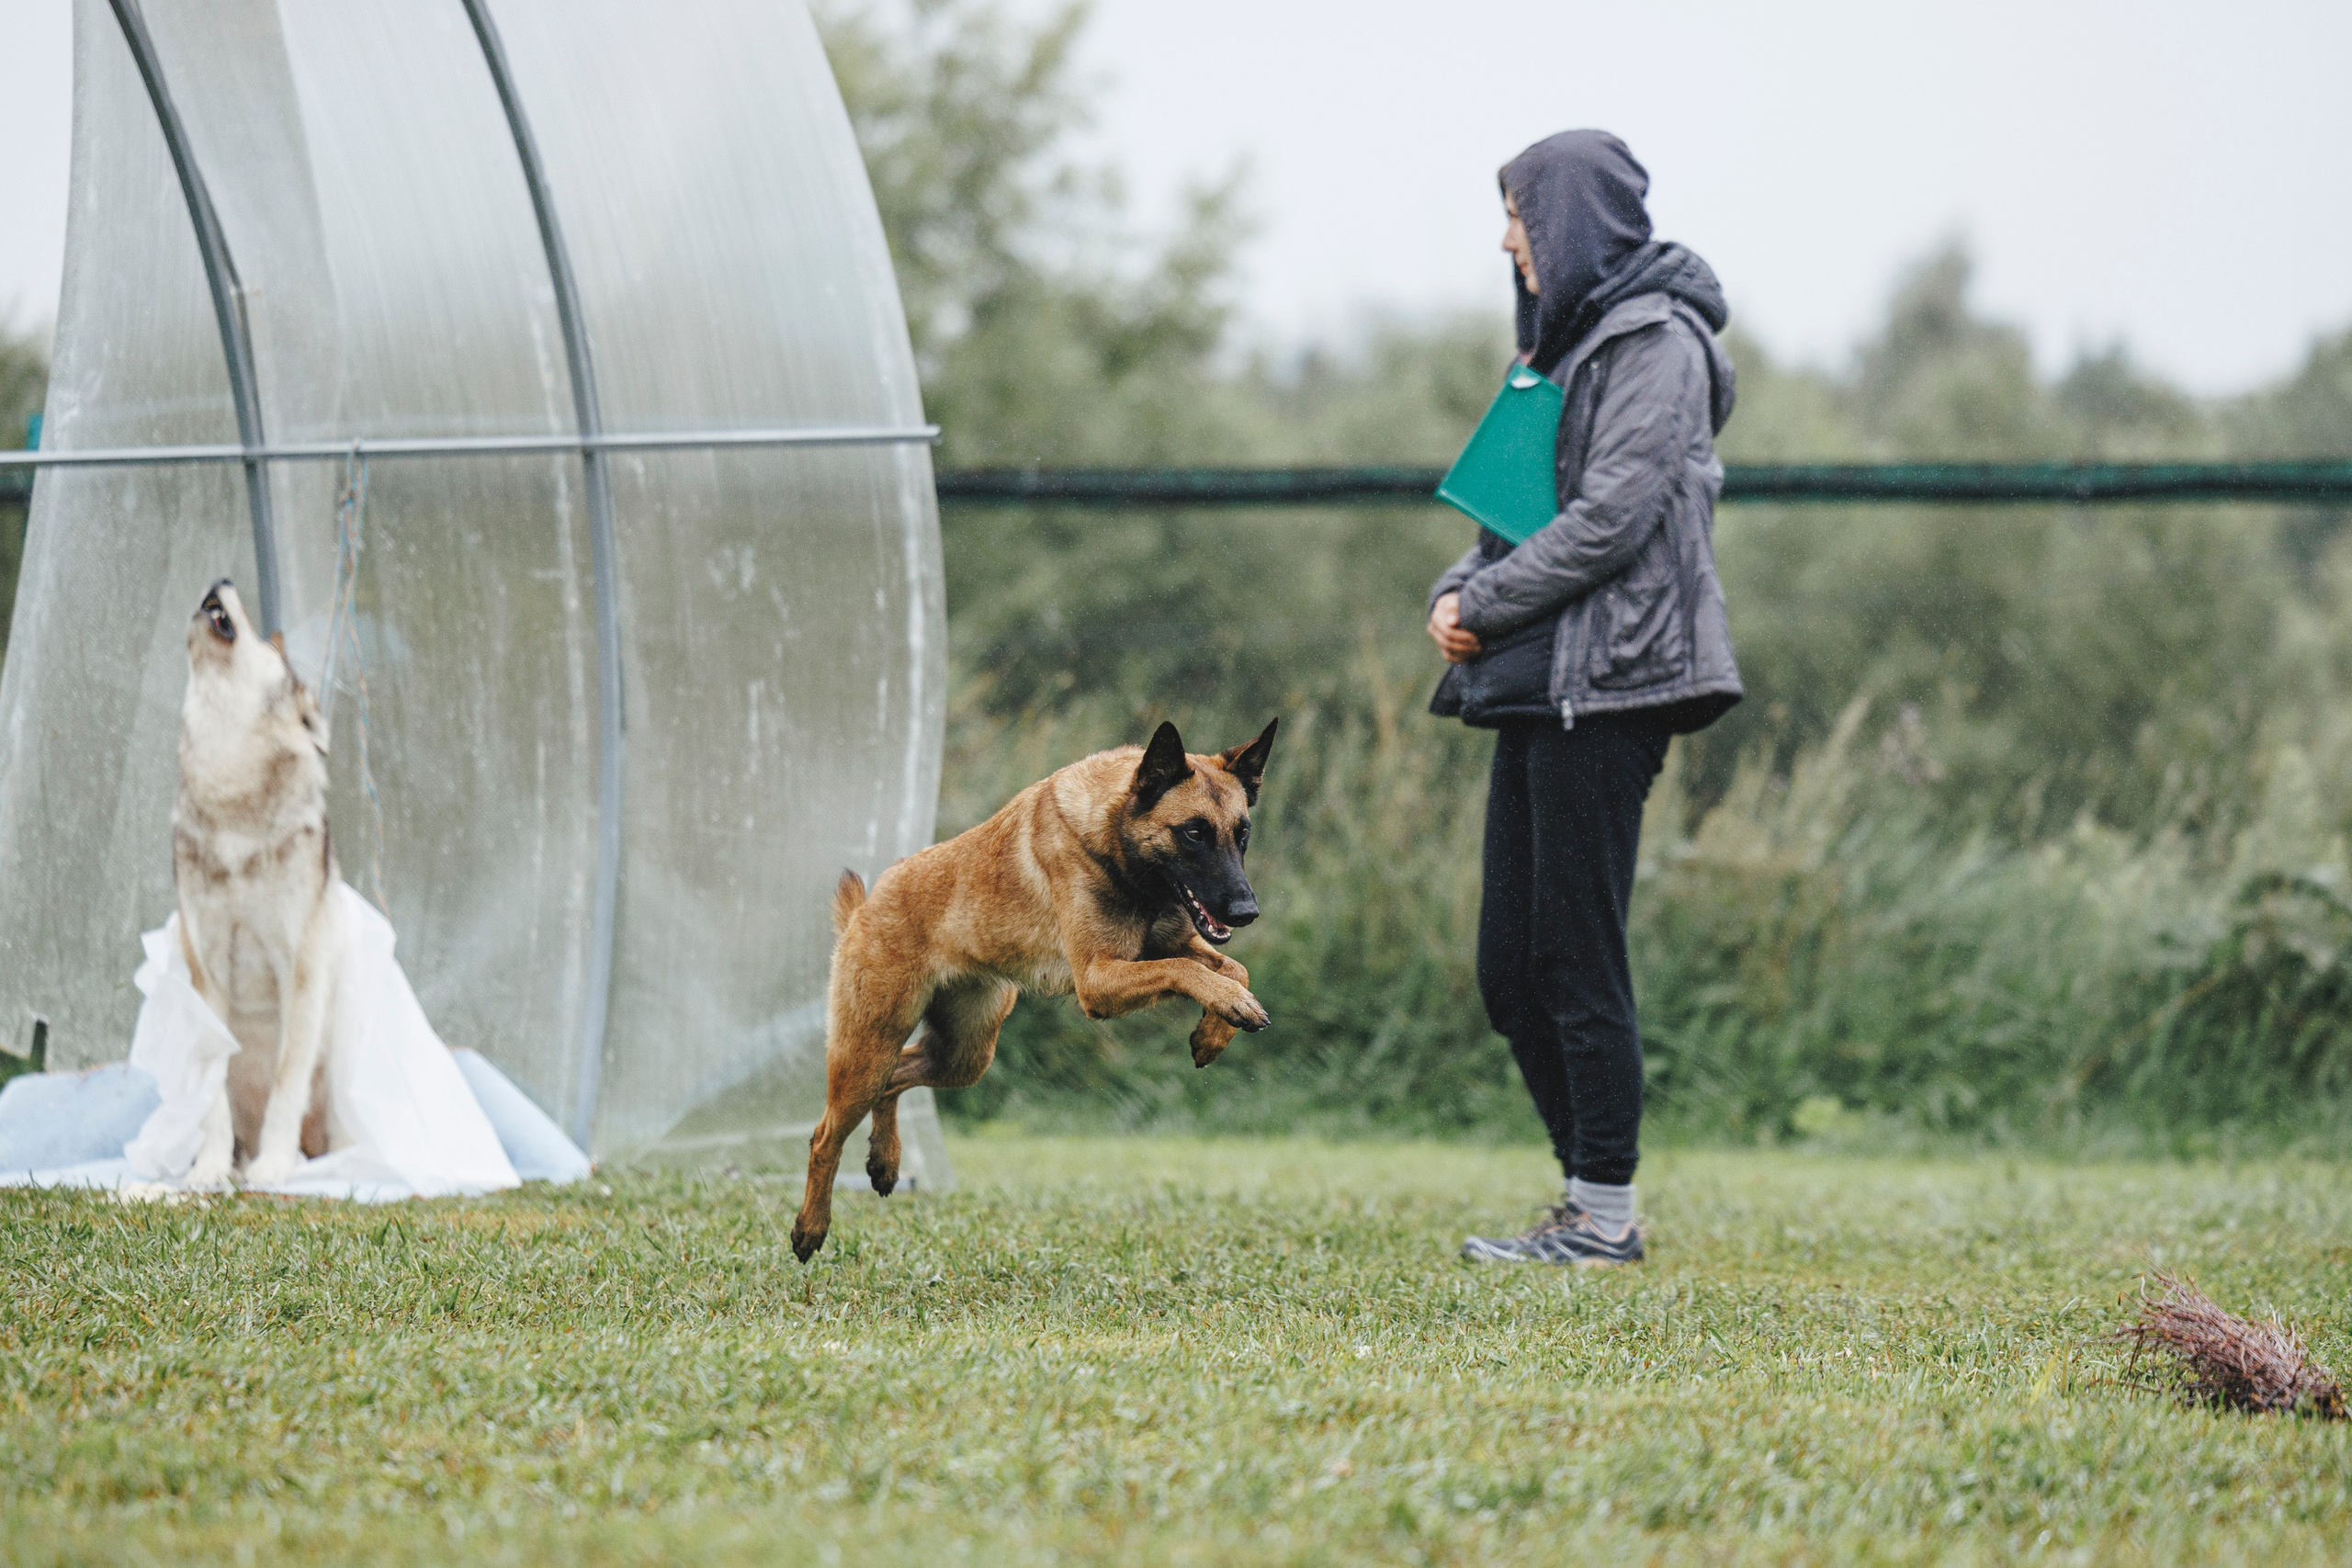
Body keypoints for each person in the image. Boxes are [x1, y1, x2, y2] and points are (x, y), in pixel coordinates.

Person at [1426, 130, 1741, 1267]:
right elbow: (1507, 510)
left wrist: (1489, 601)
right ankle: (1588, 1197)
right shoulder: (1557, 349)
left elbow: (1611, 517)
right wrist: (1459, 587)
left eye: (1517, 213)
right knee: (1511, 966)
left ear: (1565, 220)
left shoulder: (1656, 345)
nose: (1506, 236)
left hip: (1613, 686)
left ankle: (1602, 1218)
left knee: (1575, 951)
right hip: (1537, 681)